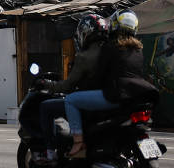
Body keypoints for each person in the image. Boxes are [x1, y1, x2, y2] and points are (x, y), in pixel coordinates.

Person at [63, 9, 157, 158]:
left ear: (114, 25)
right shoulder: (138, 50)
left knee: (70, 100)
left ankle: (78, 142)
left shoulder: (110, 47)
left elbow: (99, 77)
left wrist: (83, 88)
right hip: (136, 97)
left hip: (115, 96)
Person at [35, 13, 109, 165]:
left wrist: (47, 84)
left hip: (89, 103)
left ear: (86, 33)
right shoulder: (111, 52)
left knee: (46, 107)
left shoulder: (84, 57)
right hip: (109, 100)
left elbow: (68, 85)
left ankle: (50, 153)